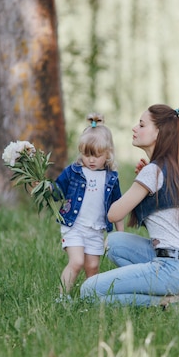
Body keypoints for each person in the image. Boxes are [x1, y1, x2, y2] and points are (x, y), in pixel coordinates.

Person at [80, 103, 179, 307]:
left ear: (158, 133)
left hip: (174, 269)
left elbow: (114, 214)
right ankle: (163, 293)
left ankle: (167, 302)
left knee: (88, 291)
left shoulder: (153, 172)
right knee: (114, 243)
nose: (134, 128)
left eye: (141, 125)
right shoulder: (178, 170)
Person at [55, 113, 124, 296]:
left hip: (96, 229)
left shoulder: (111, 178)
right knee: (76, 262)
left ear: (108, 154)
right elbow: (56, 190)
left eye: (96, 155)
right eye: (86, 154)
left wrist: (120, 233)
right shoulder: (73, 172)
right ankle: (62, 297)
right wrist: (43, 188)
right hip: (74, 226)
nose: (91, 160)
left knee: (92, 266)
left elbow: (118, 206)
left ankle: (90, 298)